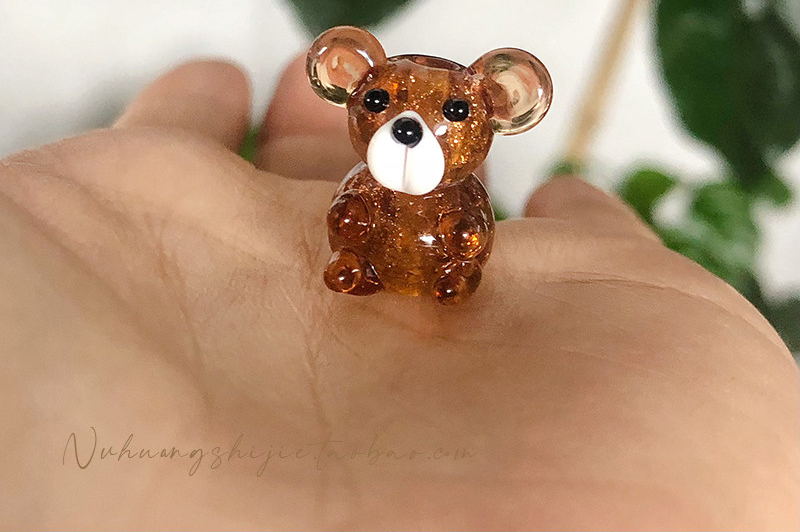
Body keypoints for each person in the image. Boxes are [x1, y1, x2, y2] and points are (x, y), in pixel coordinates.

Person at [0, 58, 797, 531]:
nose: (410, 124)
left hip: (442, 275)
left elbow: (472, 226)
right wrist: (353, 234)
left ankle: (438, 280)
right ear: (350, 88)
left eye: (449, 112)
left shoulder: (462, 194)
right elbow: (346, 214)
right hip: (373, 265)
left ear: (501, 108)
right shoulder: (362, 182)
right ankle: (368, 272)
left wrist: (460, 260)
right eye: (381, 103)